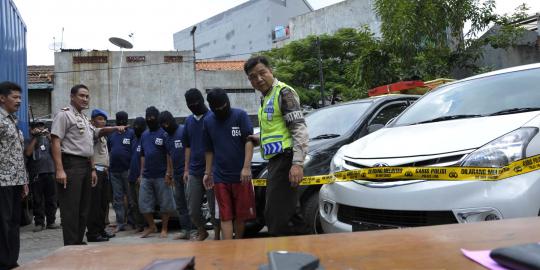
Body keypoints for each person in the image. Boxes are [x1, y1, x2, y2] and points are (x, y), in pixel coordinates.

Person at [50, 84, 124, 245]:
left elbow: (91, 142)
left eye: (87, 96)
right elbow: (55, 141)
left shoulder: (84, 118)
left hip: (85, 165)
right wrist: (59, 169)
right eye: (81, 96)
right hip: (71, 165)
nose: (85, 99)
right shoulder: (64, 115)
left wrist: (92, 169)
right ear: (72, 97)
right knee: (71, 208)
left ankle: (78, 241)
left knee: (84, 208)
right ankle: (71, 244)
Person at [243, 56, 309, 236]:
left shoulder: (283, 93)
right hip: (275, 161)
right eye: (252, 77)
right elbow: (277, 129)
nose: (258, 79)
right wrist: (260, 138)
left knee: (275, 216)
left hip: (286, 160)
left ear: (271, 71)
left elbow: (299, 129)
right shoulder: (266, 98)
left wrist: (297, 163)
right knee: (290, 214)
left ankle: (281, 256)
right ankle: (307, 254)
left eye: (262, 73)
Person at [203, 88, 256, 240]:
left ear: (227, 102)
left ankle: (237, 244)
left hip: (241, 175)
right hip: (220, 176)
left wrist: (246, 167)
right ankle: (228, 247)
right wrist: (208, 172)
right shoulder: (208, 122)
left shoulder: (240, 115)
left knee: (240, 215)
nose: (220, 110)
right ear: (211, 107)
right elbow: (208, 150)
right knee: (225, 216)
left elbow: (249, 141)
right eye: (216, 108)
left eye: (223, 106)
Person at [183, 88, 219, 241]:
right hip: (194, 171)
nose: (194, 106)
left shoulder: (213, 117)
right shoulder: (188, 121)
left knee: (213, 207)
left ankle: (217, 234)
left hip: (212, 170)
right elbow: (188, 146)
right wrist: (186, 169)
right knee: (192, 208)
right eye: (190, 104)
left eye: (196, 103)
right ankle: (201, 230)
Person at [0, 81, 29, 270]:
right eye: (15, 97)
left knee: (13, 223)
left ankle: (11, 261)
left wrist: (24, 180)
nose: (19, 101)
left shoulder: (12, 120)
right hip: (2, 181)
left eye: (20, 97)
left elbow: (17, 153)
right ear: (2, 98)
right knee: (2, 224)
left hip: (16, 180)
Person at [138, 106, 175, 238]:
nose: (150, 119)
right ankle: (152, 226)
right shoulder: (144, 134)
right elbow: (142, 155)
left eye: (152, 116)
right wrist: (141, 173)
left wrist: (168, 172)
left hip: (162, 175)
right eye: (147, 117)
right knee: (143, 203)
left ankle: (164, 228)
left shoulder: (164, 133)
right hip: (147, 176)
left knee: (165, 204)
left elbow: (169, 154)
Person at [159, 111, 194, 240]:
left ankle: (195, 230)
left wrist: (187, 169)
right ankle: (186, 230)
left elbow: (190, 149)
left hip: (188, 173)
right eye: (163, 124)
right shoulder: (166, 136)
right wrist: (169, 172)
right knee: (180, 203)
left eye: (167, 123)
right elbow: (168, 154)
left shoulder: (183, 130)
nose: (166, 126)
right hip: (176, 174)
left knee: (191, 202)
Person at [24, 121, 60, 232]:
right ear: (31, 130)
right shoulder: (28, 140)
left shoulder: (48, 139)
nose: (40, 129)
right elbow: (28, 153)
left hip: (50, 172)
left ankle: (51, 222)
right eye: (37, 127)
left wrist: (48, 135)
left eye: (41, 127)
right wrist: (35, 137)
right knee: (38, 200)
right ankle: (39, 223)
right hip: (36, 174)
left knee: (52, 199)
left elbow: (57, 147)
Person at [86, 109, 116, 242]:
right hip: (96, 171)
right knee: (95, 204)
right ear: (92, 121)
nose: (102, 121)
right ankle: (93, 233)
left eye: (104, 119)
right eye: (99, 119)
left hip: (104, 172)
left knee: (104, 204)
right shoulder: (92, 132)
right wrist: (116, 128)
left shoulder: (103, 136)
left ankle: (101, 230)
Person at [108, 111, 135, 232]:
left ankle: (132, 221)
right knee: (117, 198)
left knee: (130, 197)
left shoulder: (131, 133)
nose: (122, 121)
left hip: (127, 170)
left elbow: (135, 151)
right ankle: (120, 223)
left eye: (124, 119)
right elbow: (109, 150)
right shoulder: (111, 134)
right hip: (114, 171)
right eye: (119, 119)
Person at [127, 117, 146, 232]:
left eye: (138, 126)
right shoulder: (133, 140)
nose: (136, 128)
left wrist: (141, 174)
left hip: (141, 177)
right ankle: (139, 225)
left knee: (142, 203)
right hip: (132, 176)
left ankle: (145, 225)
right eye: (135, 126)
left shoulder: (145, 139)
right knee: (133, 203)